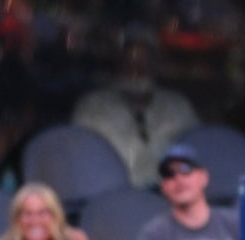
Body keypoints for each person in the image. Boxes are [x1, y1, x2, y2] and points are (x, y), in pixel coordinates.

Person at [71, 26, 200, 188]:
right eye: (129, 60)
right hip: (108, 196)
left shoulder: (179, 108)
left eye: (144, 61)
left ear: (155, 64)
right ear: (119, 63)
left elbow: (196, 157)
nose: (136, 69)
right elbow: (79, 164)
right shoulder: (91, 108)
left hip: (164, 200)